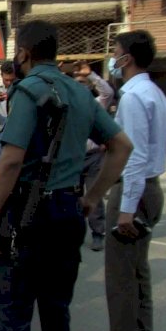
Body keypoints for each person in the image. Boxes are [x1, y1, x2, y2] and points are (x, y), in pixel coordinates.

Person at [0, 20, 132, 331]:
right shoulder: (80, 94)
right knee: (57, 310)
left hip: (28, 214)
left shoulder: (26, 91)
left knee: (15, 312)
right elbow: (121, 145)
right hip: (66, 210)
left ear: (24, 53)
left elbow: (11, 161)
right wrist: (93, 198)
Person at [83, 30, 166, 331]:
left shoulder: (134, 97)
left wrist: (124, 210)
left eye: (115, 52)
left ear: (127, 58)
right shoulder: (155, 94)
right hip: (149, 187)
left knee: (120, 275)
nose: (112, 58)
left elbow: (133, 156)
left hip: (134, 190)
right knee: (137, 271)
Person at [73, 61, 116, 252]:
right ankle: (74, 233)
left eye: (84, 83)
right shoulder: (67, 106)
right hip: (73, 159)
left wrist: (90, 75)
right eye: (77, 83)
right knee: (71, 198)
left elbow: (107, 93)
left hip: (94, 157)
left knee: (94, 197)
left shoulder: (96, 104)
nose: (80, 86)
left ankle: (98, 233)